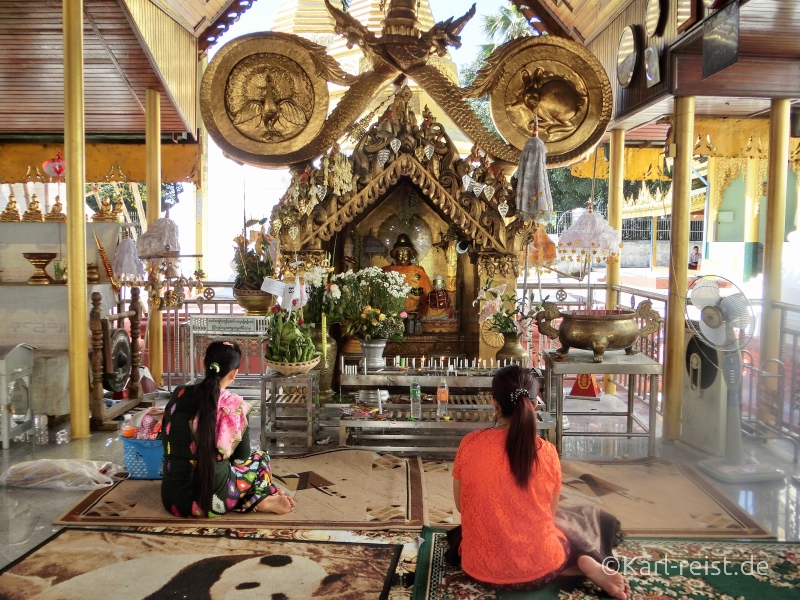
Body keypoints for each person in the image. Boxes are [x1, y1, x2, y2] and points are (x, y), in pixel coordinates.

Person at [451, 365, 629, 598]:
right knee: (574, 519)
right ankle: (582, 563)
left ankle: (576, 565)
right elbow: (550, 512)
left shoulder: (470, 443)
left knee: (457, 536)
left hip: (479, 569)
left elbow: (460, 505)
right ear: (534, 405)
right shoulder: (546, 451)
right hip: (541, 569)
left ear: (495, 405)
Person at [161, 340, 295, 518]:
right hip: (216, 501)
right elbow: (241, 459)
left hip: (173, 500)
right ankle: (259, 499)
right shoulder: (234, 407)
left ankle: (254, 497)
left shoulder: (179, 393)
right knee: (260, 459)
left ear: (205, 365)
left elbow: (166, 436)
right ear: (234, 374)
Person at [382, 233, 432, 315]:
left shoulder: (418, 271)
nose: (403, 257)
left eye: (405, 254)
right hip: (391, 309)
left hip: (415, 309)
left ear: (411, 255)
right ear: (394, 255)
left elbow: (426, 291)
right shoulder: (387, 270)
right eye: (400, 255)